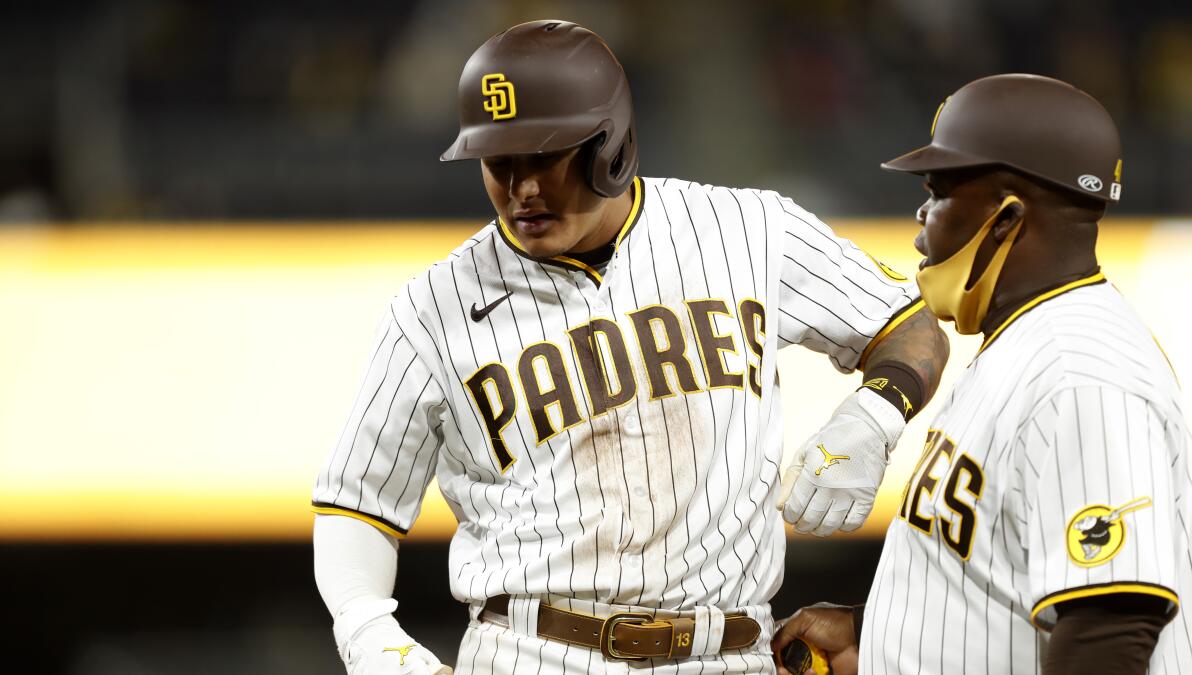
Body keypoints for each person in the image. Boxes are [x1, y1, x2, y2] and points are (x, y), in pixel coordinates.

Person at [311, 20, 949, 675]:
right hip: (532, 651)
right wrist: (366, 628)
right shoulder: (434, 304)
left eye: (543, 157)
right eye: (498, 162)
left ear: (610, 143)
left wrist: (878, 411)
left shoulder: (750, 229)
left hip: (727, 651)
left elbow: (908, 323)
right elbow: (356, 499)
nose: (520, 187)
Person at [772, 73, 1192, 675]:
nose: (921, 216)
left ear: (1005, 218)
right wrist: (878, 634)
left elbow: (1111, 624)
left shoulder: (1081, 372)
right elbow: (999, 568)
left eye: (937, 191)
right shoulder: (1023, 342)